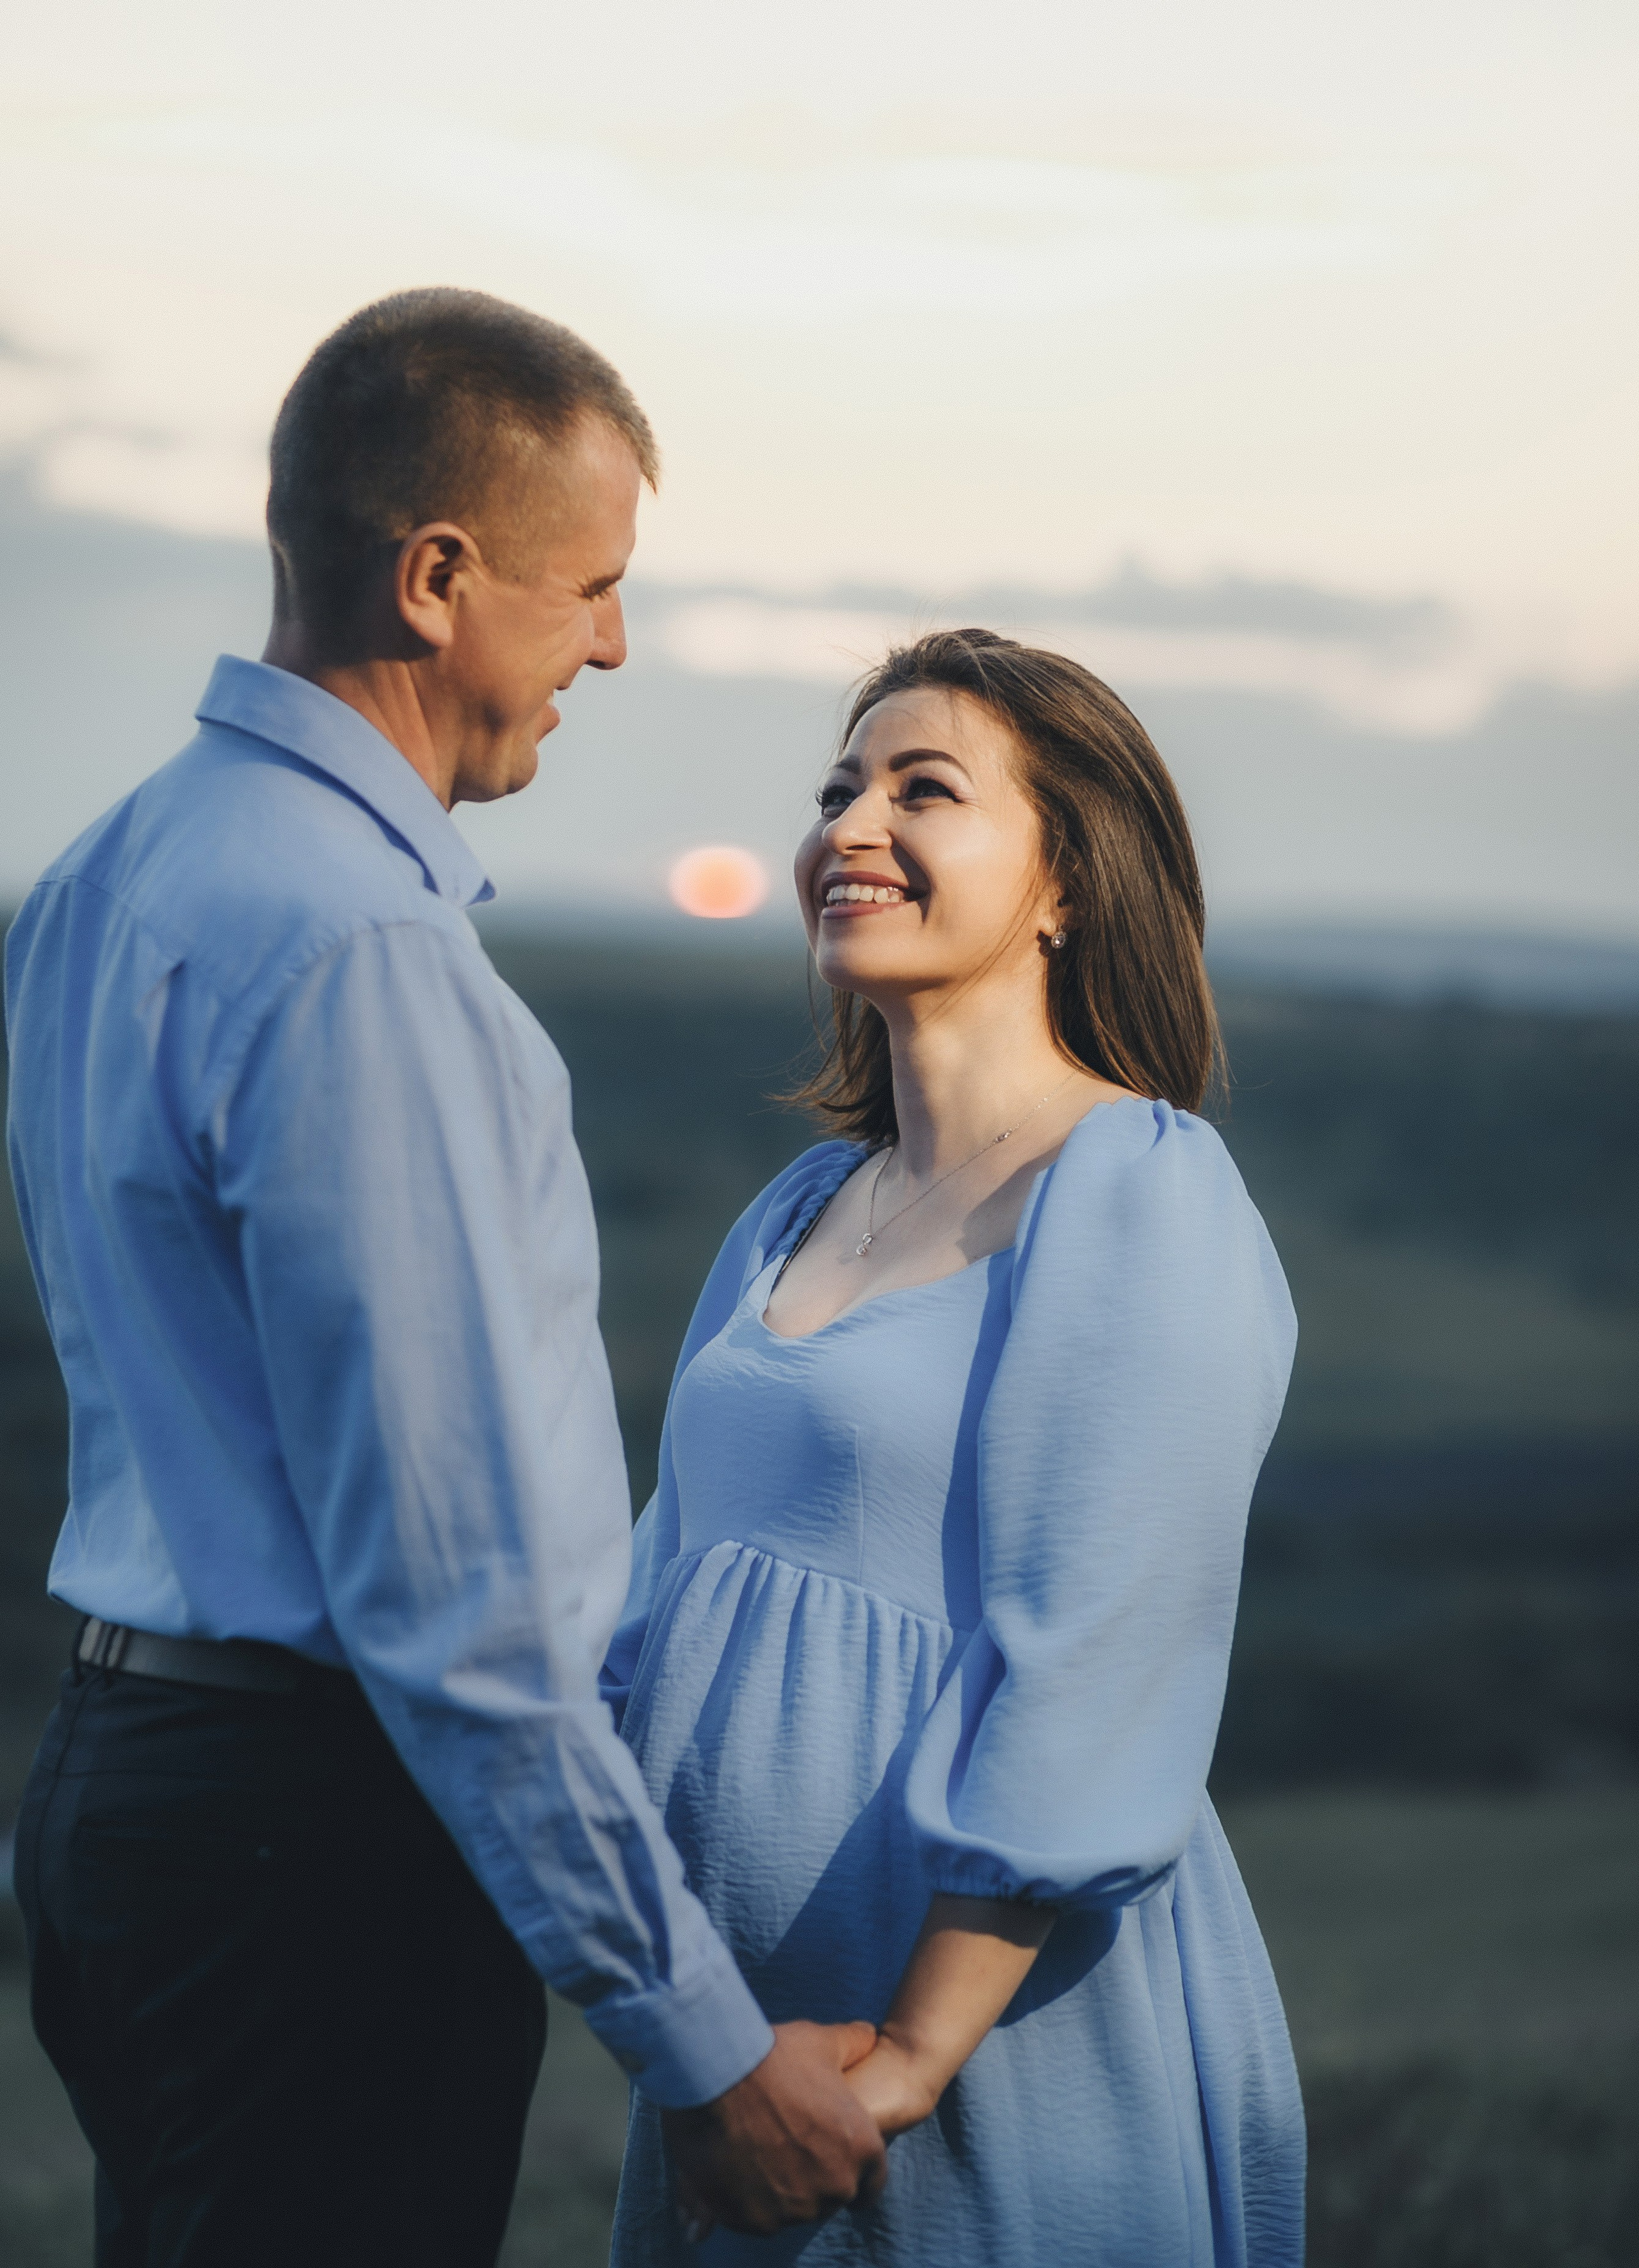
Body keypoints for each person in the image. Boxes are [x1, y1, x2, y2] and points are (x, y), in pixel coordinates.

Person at [4, 288, 884, 2268]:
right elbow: (454, 1596)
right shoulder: (360, 956)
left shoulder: (100, 877)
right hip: (311, 1840)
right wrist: (706, 2050)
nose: (614, 645)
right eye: (591, 588)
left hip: (126, 1779)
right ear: (437, 577)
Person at [602, 628, 1305, 2264]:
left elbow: (1100, 1647)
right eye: (838, 787)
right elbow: (647, 1603)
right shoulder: (794, 1208)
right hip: (747, 2048)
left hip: (985, 2043)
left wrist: (914, 2053)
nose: (852, 826)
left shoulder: (1135, 1185)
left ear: (1066, 883)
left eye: (923, 790)